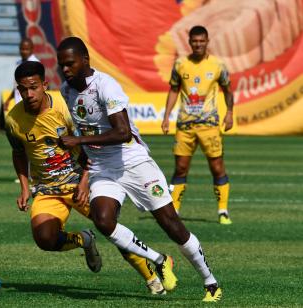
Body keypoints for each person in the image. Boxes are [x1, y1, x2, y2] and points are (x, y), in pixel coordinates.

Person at [56, 37, 222, 302]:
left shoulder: (106, 86)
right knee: (103, 221)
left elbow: (122, 133)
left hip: (134, 163)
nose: (64, 70)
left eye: (69, 64)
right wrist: (85, 171)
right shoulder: (67, 90)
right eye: (61, 65)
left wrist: (79, 141)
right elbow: (85, 128)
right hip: (103, 168)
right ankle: (159, 259)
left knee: (171, 224)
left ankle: (210, 282)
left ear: (85, 60)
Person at [5, 61, 166, 295]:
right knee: (45, 238)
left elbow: (90, 143)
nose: (28, 94)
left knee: (110, 227)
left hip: (80, 183)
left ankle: (150, 276)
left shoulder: (63, 107)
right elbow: (18, 152)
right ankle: (83, 240)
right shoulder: (13, 119)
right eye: (23, 89)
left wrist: (84, 182)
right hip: (48, 189)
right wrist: (24, 187)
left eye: (33, 87)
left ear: (44, 85)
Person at [161, 25, 234, 225]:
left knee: (217, 167)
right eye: (195, 41)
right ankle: (174, 212)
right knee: (181, 168)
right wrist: (166, 116)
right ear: (190, 42)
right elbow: (174, 90)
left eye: (202, 41)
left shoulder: (218, 65)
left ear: (207, 41)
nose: (198, 44)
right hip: (185, 126)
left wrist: (229, 113)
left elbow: (228, 90)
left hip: (209, 125)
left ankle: (223, 211)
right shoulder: (180, 64)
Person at [3, 38, 40, 114]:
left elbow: (38, 86)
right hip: (19, 103)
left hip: (31, 103)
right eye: (22, 49)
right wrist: (8, 100)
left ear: (32, 49)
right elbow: (17, 86)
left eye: (26, 49)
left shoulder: (35, 64)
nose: (24, 52)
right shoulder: (18, 63)